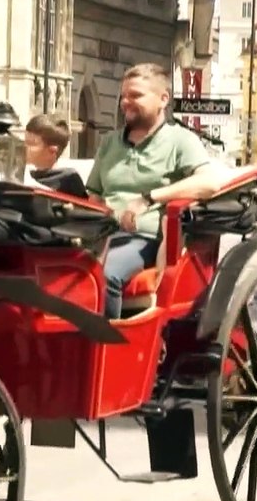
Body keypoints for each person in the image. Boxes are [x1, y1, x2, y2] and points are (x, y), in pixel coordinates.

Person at [86, 62, 223, 319]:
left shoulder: (180, 141)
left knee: (103, 276)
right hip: (102, 235)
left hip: (145, 239)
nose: (125, 102)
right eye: (123, 96)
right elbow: (94, 195)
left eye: (135, 95)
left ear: (163, 99)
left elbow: (209, 183)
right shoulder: (109, 143)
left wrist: (148, 198)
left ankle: (110, 352)